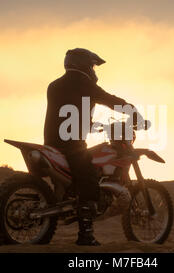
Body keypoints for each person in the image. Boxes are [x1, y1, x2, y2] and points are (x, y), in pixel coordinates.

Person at [43, 48, 139, 246]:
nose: (94, 70)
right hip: (71, 145)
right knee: (89, 183)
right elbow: (109, 100)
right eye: (93, 65)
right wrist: (132, 111)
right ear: (84, 65)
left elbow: (69, 113)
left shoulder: (54, 85)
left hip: (51, 143)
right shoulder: (84, 84)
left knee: (79, 180)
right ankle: (85, 235)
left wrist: (96, 125)